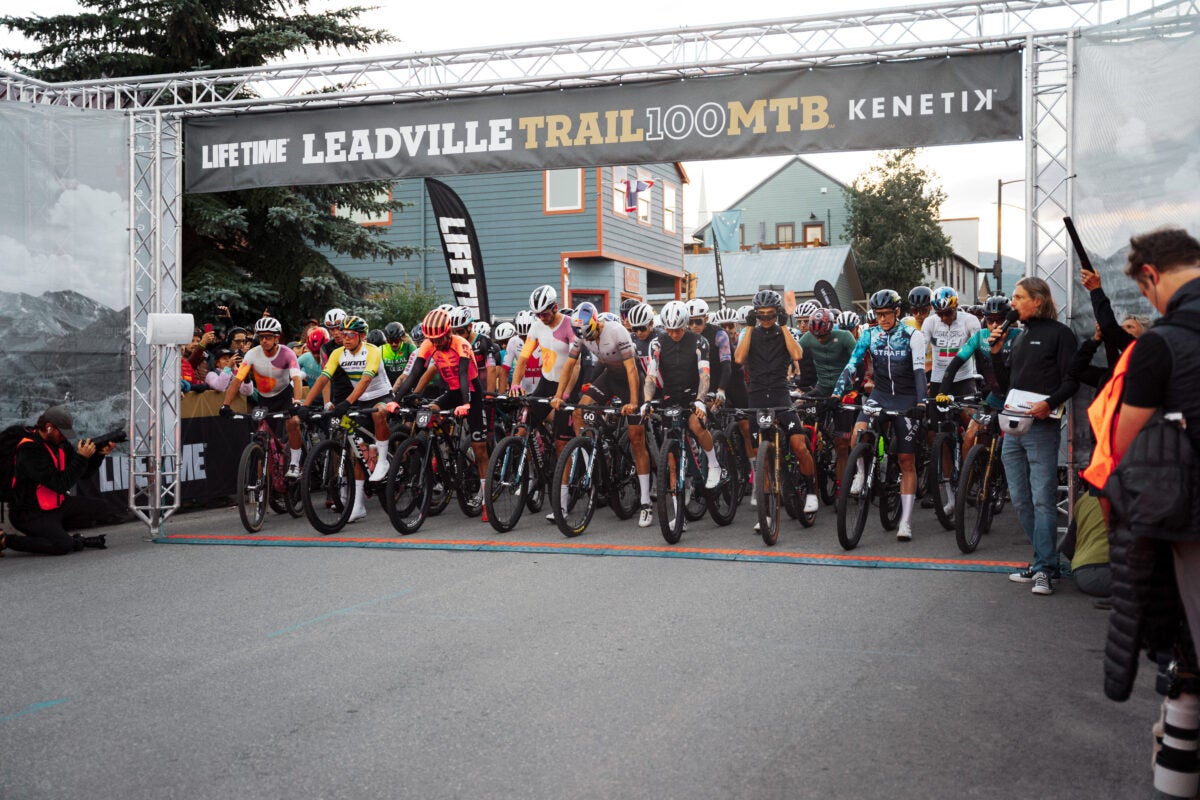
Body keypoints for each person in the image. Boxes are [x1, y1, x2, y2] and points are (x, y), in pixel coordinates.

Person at [997, 276, 1078, 595]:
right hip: (1013, 425)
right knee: (1019, 499)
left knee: (1043, 499)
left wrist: (1050, 403)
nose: (1012, 303)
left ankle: (1045, 568)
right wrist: (994, 352)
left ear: (1038, 301)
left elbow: (1072, 379)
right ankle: (1044, 561)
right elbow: (1008, 382)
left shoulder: (1061, 335)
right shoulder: (1019, 335)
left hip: (1041, 427)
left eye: (1018, 297)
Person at [551, 302, 655, 527]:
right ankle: (589, 453)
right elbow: (569, 365)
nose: (586, 338)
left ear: (596, 322)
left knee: (636, 438)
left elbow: (630, 369)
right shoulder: (581, 332)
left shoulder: (616, 331)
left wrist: (634, 402)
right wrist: (559, 396)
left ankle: (646, 502)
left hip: (630, 380)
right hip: (609, 377)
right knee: (580, 410)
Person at [835, 289, 928, 541]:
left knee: (906, 459)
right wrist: (836, 392)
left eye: (887, 314)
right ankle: (861, 473)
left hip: (907, 396)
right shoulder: (870, 334)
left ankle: (905, 521)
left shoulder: (912, 335)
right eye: (878, 314)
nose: (883, 319)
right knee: (858, 433)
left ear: (897, 312)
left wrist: (921, 403)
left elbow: (920, 372)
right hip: (881, 394)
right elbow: (852, 363)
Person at [735, 289, 818, 525]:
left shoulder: (784, 331)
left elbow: (797, 354)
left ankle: (811, 491)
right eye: (760, 315)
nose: (766, 320)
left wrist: (783, 325)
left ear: (778, 313)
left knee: (799, 445)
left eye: (770, 315)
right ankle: (767, 514)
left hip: (781, 395)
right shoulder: (749, 333)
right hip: (757, 396)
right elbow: (739, 359)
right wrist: (750, 328)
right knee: (763, 460)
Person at [393, 307, 490, 507]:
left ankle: (484, 494)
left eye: (439, 339)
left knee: (479, 447)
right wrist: (396, 399)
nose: (435, 343)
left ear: (448, 332)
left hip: (471, 392)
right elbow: (415, 373)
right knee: (428, 412)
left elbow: (463, 375)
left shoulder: (461, 344)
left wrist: (465, 404)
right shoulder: (429, 344)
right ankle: (440, 454)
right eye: (432, 340)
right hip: (452, 392)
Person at [642, 300, 720, 527]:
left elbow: (704, 374)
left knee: (696, 425)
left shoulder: (699, 341)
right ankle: (679, 515)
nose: (673, 333)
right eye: (669, 329)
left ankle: (714, 463)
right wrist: (647, 401)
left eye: (677, 329)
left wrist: (700, 400)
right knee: (672, 461)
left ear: (686, 325)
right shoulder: (657, 343)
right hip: (670, 396)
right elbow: (650, 375)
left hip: (693, 392)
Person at [5, 406, 114, 555]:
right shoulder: (29, 449)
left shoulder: (61, 444)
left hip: (56, 506)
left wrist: (98, 456)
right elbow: (60, 484)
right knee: (63, 546)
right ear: (49, 427)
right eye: (62, 433)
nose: (65, 437)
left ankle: (49, 532)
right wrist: (81, 458)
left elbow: (83, 474)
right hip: (30, 513)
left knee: (103, 508)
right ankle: (6, 541)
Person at [221, 316, 307, 480]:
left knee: (294, 423)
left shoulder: (287, 353)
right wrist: (225, 405)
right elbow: (237, 380)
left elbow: (296, 379)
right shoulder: (252, 354)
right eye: (261, 337)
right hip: (265, 399)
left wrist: (296, 401)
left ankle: (295, 464)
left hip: (285, 396)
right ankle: (263, 484)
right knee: (262, 440)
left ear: (277, 337)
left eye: (268, 336)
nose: (264, 340)